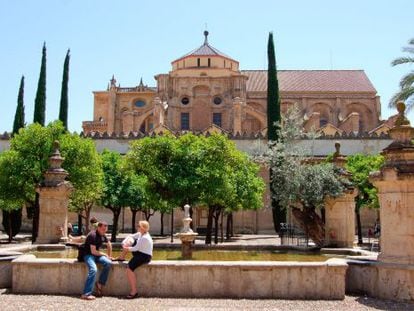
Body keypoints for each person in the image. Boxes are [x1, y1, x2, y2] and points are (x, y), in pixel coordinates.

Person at [81, 221, 113, 300]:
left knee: (108, 263)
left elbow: (109, 244)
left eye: (105, 230)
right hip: (88, 255)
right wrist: (104, 254)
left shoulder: (102, 235)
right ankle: (86, 294)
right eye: (103, 229)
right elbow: (93, 251)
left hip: (96, 255)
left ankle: (100, 283)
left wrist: (109, 256)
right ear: (98, 228)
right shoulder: (93, 235)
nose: (104, 231)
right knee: (93, 269)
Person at [123, 220, 153, 299]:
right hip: (141, 253)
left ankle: (134, 291)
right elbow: (131, 236)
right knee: (131, 240)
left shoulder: (145, 238)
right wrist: (126, 242)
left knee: (129, 269)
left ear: (143, 228)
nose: (137, 227)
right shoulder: (141, 234)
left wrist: (126, 248)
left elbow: (135, 248)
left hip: (144, 256)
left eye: (139, 226)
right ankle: (121, 257)